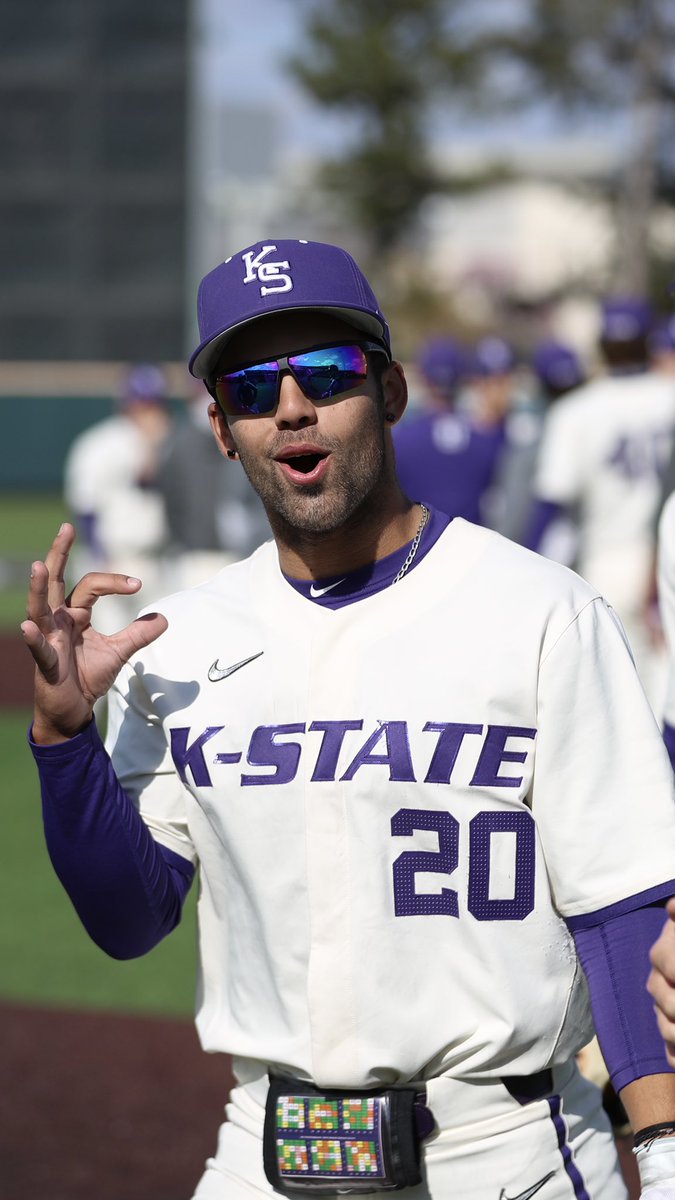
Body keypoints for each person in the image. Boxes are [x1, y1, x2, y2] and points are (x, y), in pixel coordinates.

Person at [22, 238, 675, 1200]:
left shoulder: (542, 613)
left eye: (324, 374)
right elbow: (128, 918)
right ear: (220, 428)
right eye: (252, 389)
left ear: (392, 392)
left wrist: (660, 1153)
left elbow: (621, 914)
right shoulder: (184, 641)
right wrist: (66, 740)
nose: (290, 408)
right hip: (263, 1152)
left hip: (502, 1150)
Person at [525, 297, 675, 708]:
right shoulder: (669, 396)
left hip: (609, 561)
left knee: (627, 698)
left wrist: (525, 565)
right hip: (665, 549)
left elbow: (552, 505)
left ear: (602, 346)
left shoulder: (577, 410)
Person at [63, 362, 172, 634]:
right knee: (107, 643)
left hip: (155, 560)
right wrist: (99, 553)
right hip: (109, 558)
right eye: (142, 401)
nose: (147, 408)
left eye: (152, 401)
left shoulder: (169, 440)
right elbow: (85, 505)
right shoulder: (100, 443)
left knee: (159, 646)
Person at [156, 375, 271, 590]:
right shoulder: (179, 442)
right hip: (195, 556)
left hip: (243, 553)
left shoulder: (242, 434)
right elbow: (171, 500)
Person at [393, 336, 506, 527]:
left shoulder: (399, 439)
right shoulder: (488, 438)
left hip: (419, 546)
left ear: (424, 378)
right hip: (474, 544)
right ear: (464, 377)